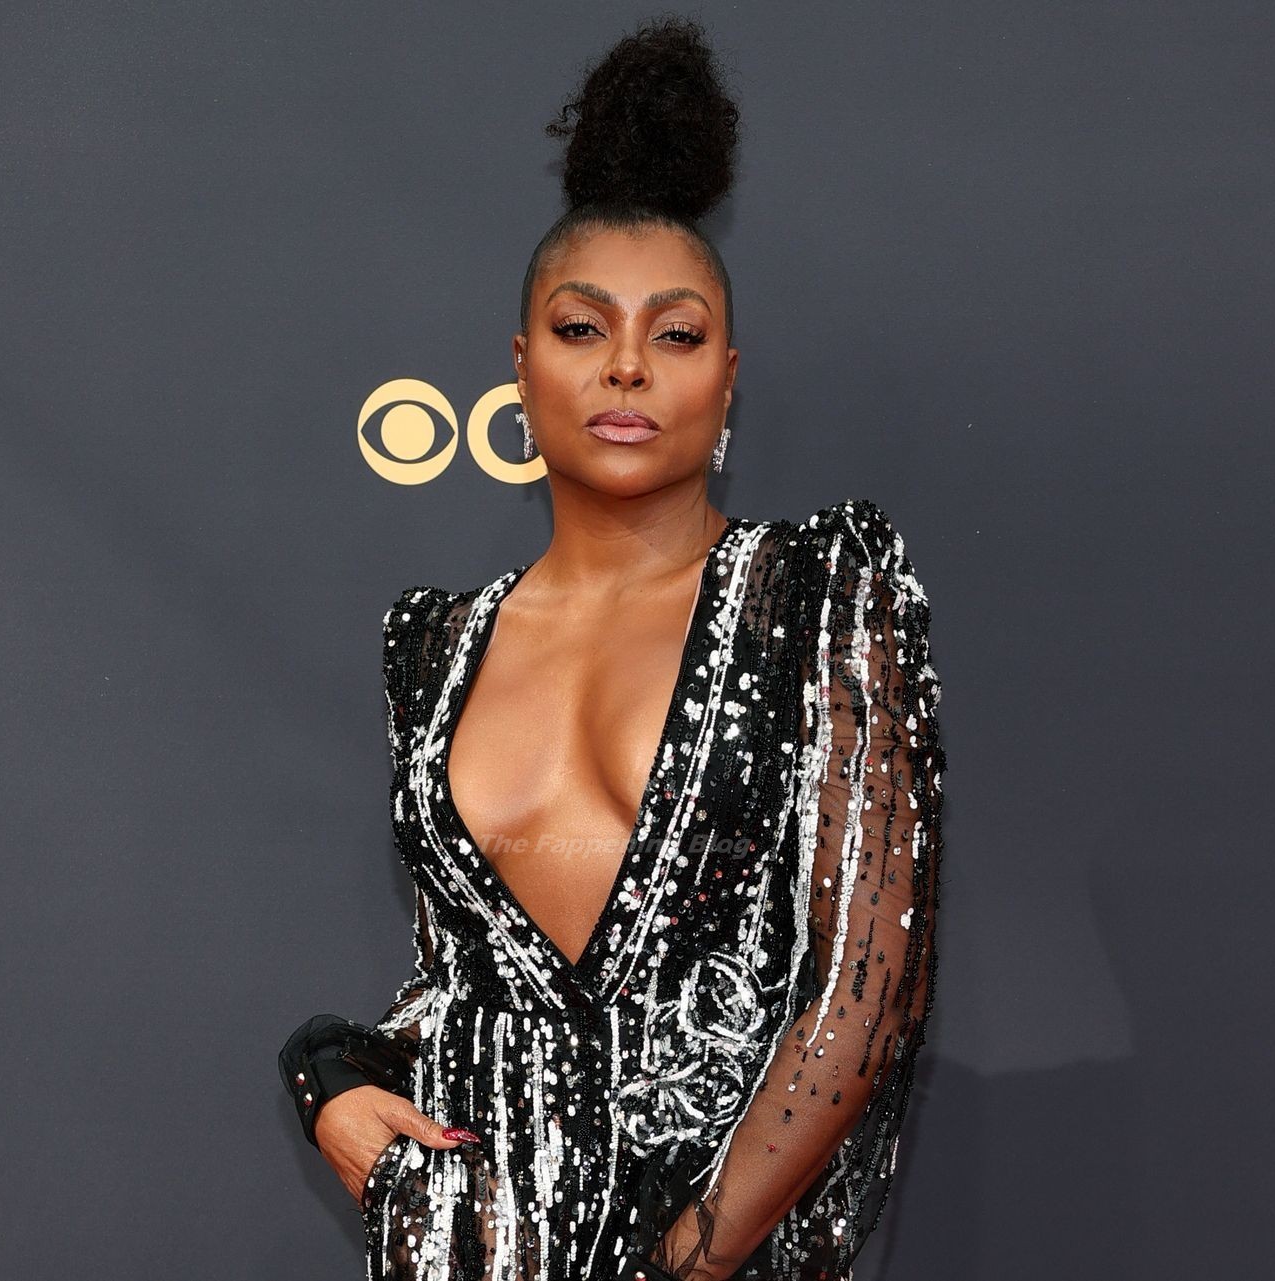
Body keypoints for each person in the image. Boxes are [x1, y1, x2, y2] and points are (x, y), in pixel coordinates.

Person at [279, 18, 945, 1280]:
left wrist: (684, 1264)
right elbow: (459, 981)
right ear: (521, 366)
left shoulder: (813, 595)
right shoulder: (435, 645)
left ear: (727, 377)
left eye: (675, 335)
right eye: (582, 330)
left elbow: (861, 999)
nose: (627, 366)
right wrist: (331, 1078)